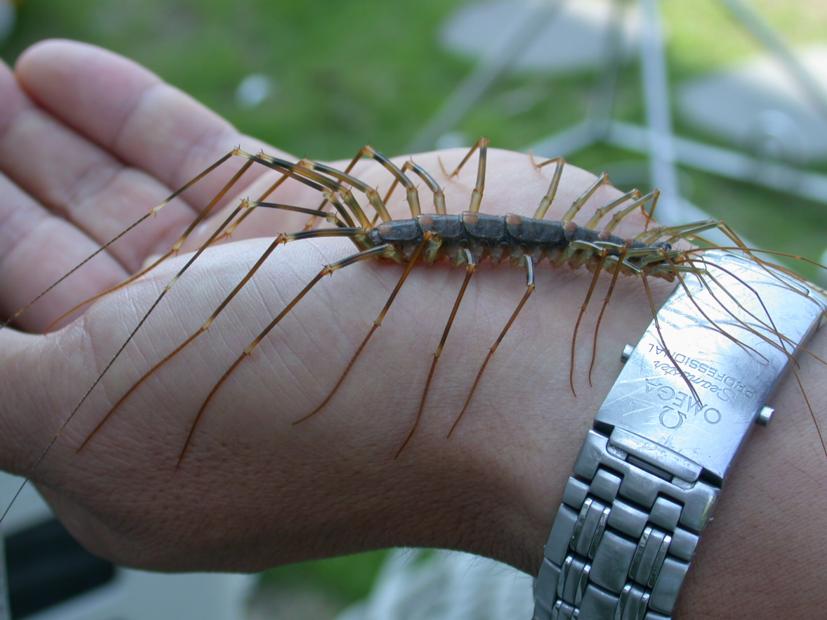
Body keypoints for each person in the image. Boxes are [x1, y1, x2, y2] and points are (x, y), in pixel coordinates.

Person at [0, 40, 824, 618]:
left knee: (285, 206)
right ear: (616, 264)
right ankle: (181, 323)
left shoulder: (601, 258)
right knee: (292, 219)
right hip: (417, 243)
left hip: (453, 233)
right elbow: (534, 268)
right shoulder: (589, 256)